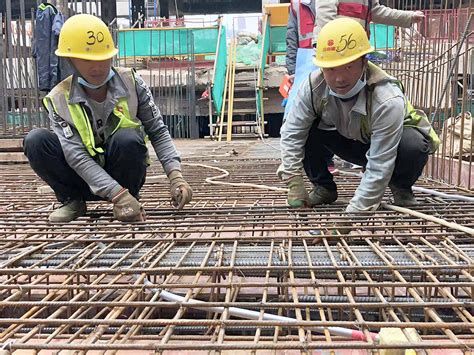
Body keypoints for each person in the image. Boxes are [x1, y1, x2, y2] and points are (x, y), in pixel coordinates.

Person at [23, 14, 193, 223]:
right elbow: (76, 155)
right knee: (36, 140)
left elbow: (157, 131)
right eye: (88, 60)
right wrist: (116, 194)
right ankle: (72, 201)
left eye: (104, 57)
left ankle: (130, 200)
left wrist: (175, 175)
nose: (99, 66)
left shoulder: (132, 83)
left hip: (123, 175)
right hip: (81, 178)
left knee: (128, 138)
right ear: (70, 61)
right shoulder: (59, 99)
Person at [278, 18, 440, 211]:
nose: (339, 78)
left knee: (414, 144)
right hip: (348, 141)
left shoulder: (387, 98)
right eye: (331, 69)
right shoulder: (313, 87)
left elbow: (380, 162)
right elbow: (292, 132)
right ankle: (324, 187)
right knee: (307, 129)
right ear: (321, 67)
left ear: (364, 62)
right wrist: (293, 181)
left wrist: (354, 214)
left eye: (348, 66)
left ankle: (401, 186)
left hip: (389, 147)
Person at [286, 0, 337, 173]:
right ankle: (311, 168)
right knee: (306, 115)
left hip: (334, 61)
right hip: (306, 64)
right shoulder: (297, 6)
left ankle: (328, 159)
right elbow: (291, 38)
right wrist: (292, 70)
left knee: (330, 111)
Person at [313, 0, 425, 44]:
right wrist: (335, 45)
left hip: (353, 47)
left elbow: (376, 11)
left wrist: (409, 16)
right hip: (332, 47)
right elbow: (325, 16)